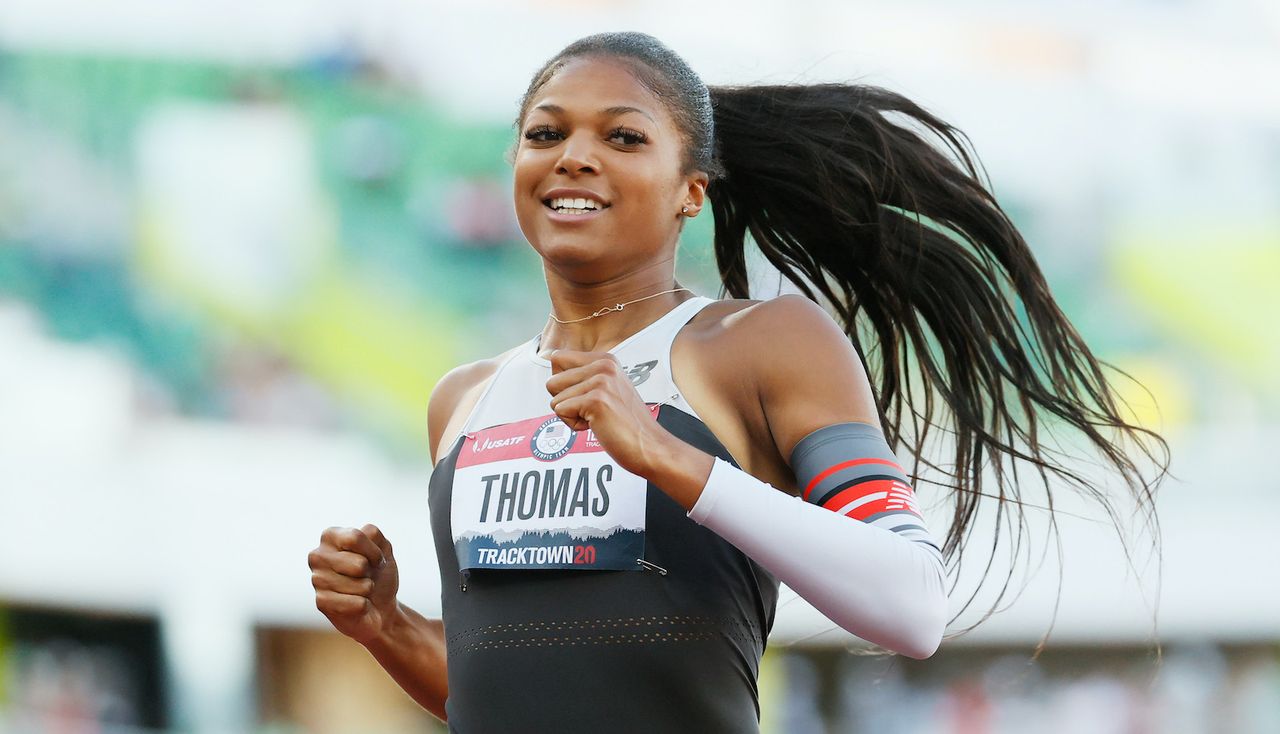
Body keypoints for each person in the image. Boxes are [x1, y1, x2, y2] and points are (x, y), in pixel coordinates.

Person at [307, 31, 1168, 731]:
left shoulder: (760, 343)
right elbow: (503, 688)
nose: (573, 156)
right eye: (546, 133)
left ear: (692, 191)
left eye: (623, 136)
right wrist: (387, 627)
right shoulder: (465, 399)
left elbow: (913, 607)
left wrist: (669, 459)